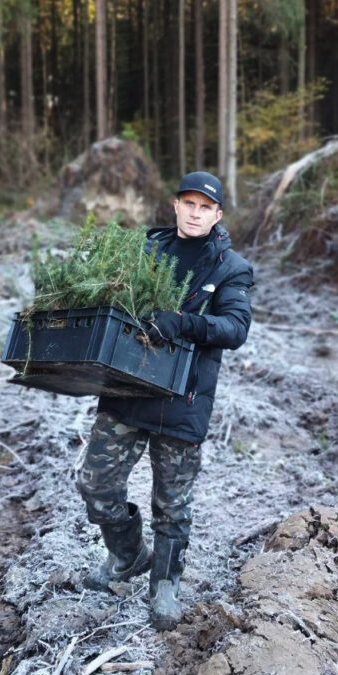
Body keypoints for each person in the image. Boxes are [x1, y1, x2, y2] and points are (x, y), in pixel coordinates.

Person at [76, 171, 253, 630]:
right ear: (175, 205)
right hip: (127, 388)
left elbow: (235, 328)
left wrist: (184, 323)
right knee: (95, 483)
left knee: (172, 504)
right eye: (188, 204)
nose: (195, 213)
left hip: (182, 398)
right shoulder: (144, 249)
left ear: (217, 215)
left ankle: (165, 584)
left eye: (205, 207)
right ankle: (128, 555)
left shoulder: (230, 267)